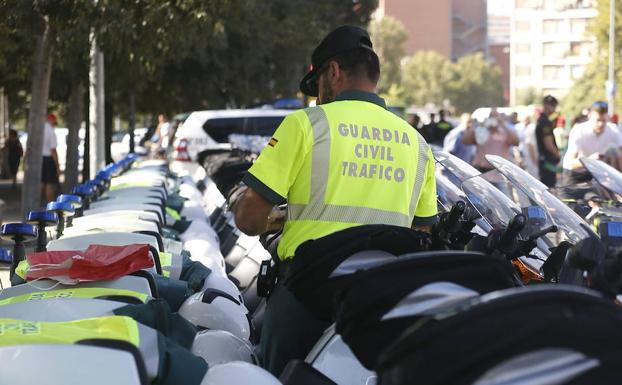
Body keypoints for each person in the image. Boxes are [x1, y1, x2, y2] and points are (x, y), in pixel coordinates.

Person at [232, 25, 437, 376]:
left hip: (308, 296)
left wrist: (270, 217)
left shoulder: (306, 125)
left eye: (318, 86)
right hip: (382, 300)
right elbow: (422, 231)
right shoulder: (416, 142)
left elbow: (248, 221)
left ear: (334, 71)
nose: (317, 97)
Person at [562, 101, 622, 183]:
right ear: (590, 116)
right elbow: (569, 163)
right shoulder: (579, 131)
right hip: (576, 173)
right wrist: (589, 160)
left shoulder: (613, 130)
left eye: (604, 120)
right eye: (597, 120)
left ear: (607, 117)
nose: (600, 124)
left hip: (595, 173)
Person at [535, 95, 561, 188]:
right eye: (552, 106)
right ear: (546, 106)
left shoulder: (541, 120)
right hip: (548, 161)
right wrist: (558, 155)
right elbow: (548, 145)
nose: (554, 109)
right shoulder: (545, 122)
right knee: (549, 188)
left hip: (544, 160)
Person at [42, 113, 60, 203]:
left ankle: (39, 201)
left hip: (40, 159)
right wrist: (57, 165)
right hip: (48, 159)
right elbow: (53, 150)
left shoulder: (40, 129)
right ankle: (50, 204)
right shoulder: (51, 132)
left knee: (41, 182)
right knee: (50, 183)